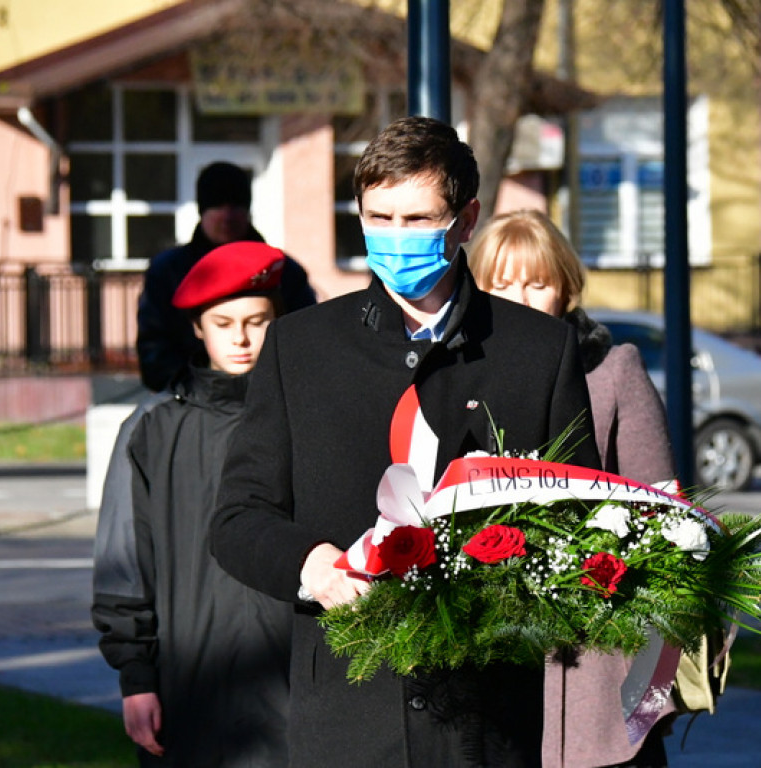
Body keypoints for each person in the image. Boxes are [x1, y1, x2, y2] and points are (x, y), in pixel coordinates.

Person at [209, 116, 600, 768]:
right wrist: (313, 566)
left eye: (417, 220)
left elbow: (581, 523)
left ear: (466, 219)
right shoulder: (301, 348)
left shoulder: (539, 351)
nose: (394, 238)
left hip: (486, 721)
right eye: (377, 218)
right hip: (348, 715)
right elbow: (238, 517)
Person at [469, 208, 675, 767]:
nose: (520, 298)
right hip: (486, 662)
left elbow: (668, 529)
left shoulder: (612, 372)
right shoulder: (458, 379)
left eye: (538, 283)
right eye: (501, 283)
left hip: (595, 671)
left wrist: (650, 700)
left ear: (566, 289)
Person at [92, 242, 292, 766]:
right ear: (198, 329)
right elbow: (124, 567)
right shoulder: (150, 431)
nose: (242, 338)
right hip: (190, 690)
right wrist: (136, 679)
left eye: (257, 320)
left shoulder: (308, 418)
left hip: (295, 687)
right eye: (223, 323)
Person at [136, 160, 316, 392]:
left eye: (236, 205)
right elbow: (154, 351)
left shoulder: (283, 271)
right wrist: (193, 397)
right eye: (216, 205)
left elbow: (306, 341)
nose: (227, 215)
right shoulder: (168, 271)